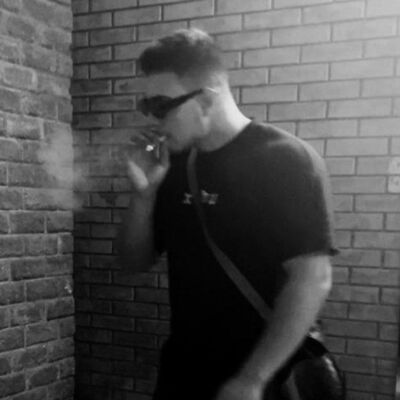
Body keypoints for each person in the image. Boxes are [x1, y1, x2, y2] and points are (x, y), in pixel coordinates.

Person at [117, 28, 338, 400]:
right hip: (185, 370)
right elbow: (133, 261)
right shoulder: (172, 166)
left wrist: (252, 380)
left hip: (267, 375)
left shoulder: (285, 159)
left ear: (206, 100)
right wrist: (143, 196)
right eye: (148, 107)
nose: (155, 119)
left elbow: (312, 279)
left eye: (162, 105)